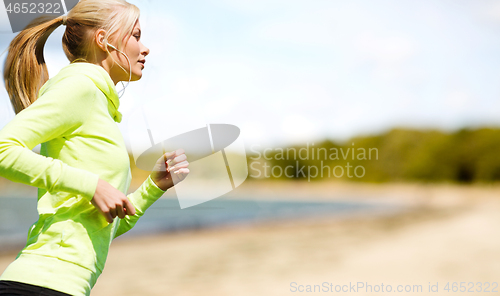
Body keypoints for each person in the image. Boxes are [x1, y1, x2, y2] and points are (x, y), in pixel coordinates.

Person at [0, 0, 189, 295]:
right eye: (136, 35)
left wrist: (153, 187)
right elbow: (4, 149)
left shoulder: (99, 103)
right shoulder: (80, 87)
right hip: (41, 283)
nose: (145, 48)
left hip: (65, 286)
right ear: (103, 41)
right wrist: (92, 185)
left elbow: (103, 226)